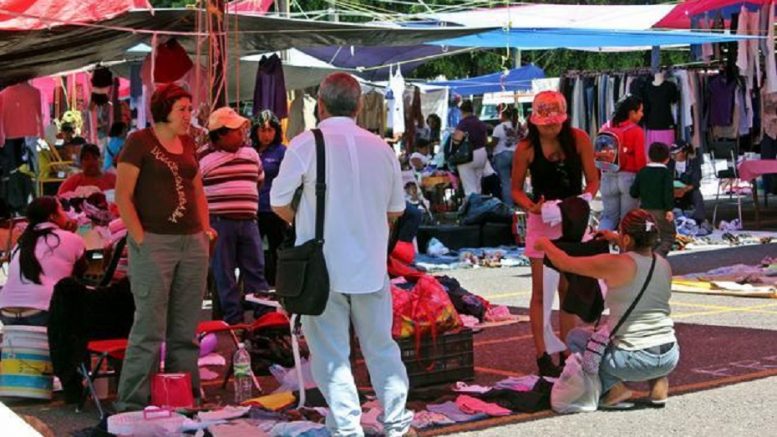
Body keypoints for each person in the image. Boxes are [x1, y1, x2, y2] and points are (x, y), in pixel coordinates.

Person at [270, 72, 413, 436]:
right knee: (381, 348)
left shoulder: (304, 144)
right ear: (359, 106)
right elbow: (396, 211)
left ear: (320, 104)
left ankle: (348, 430)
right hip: (369, 265)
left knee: (332, 357)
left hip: (322, 267)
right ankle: (396, 423)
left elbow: (278, 202)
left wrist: (306, 220)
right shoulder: (382, 148)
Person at [114, 84, 214, 412]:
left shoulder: (187, 143)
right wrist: (140, 237)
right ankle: (131, 405)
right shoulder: (139, 142)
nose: (189, 115)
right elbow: (123, 195)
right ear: (164, 110)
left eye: (189, 109)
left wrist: (205, 228)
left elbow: (197, 189)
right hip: (154, 241)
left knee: (185, 328)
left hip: (191, 241)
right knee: (149, 327)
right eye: (182, 109)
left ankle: (183, 400)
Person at [535, 209, 679, 408]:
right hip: (670, 354)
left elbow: (565, 263)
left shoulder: (617, 264)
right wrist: (614, 238)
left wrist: (544, 243)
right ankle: (658, 386)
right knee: (648, 332)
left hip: (633, 360)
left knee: (577, 337)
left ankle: (615, 389)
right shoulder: (664, 265)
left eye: (620, 234)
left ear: (627, 239)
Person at [511, 90, 600, 376]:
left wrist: (584, 200)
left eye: (555, 122)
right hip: (543, 220)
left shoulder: (579, 139)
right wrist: (531, 206)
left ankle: (568, 351)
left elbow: (593, 180)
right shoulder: (526, 148)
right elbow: (515, 189)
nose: (551, 127)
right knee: (541, 291)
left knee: (569, 287)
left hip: (572, 218)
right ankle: (542, 353)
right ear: (535, 121)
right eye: (545, 123)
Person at [201, 107, 270, 324]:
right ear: (220, 134)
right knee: (225, 275)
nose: (242, 134)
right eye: (235, 130)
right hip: (220, 224)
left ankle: (263, 319)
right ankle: (234, 321)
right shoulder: (203, 157)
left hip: (248, 222)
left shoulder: (251, 154)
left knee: (256, 271)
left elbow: (259, 180)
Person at [0, 197, 85, 326]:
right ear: (52, 216)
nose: (66, 214)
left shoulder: (23, 241)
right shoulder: (72, 238)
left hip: (6, 310)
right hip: (42, 310)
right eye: (62, 210)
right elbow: (79, 273)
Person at [251, 109, 288, 286]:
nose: (266, 134)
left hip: (274, 209)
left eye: (270, 130)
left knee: (278, 249)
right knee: (253, 251)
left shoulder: (282, 152)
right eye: (262, 130)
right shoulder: (248, 151)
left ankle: (279, 285)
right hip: (251, 210)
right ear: (255, 132)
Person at [599, 95, 647, 230]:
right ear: (632, 113)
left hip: (607, 176)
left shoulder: (606, 128)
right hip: (628, 178)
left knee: (608, 217)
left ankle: (599, 243)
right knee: (628, 220)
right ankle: (624, 248)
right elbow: (640, 161)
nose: (642, 114)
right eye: (640, 111)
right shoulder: (636, 131)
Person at [630, 142, 676, 257]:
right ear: (667, 159)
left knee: (650, 237)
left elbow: (633, 192)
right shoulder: (666, 173)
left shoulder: (642, 172)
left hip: (645, 210)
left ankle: (648, 257)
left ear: (648, 156)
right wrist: (669, 209)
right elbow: (668, 192)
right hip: (661, 210)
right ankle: (657, 257)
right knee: (668, 236)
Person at [452, 100, 495, 196]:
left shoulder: (463, 123)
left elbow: (456, 140)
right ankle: (479, 206)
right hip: (482, 154)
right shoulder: (480, 123)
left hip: (468, 156)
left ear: (462, 111)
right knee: (477, 185)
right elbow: (485, 140)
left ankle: (473, 207)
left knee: (469, 187)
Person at [668, 141, 709, 228]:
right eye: (672, 154)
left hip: (688, 191)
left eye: (676, 153)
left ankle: (700, 221)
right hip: (672, 191)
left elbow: (696, 183)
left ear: (684, 152)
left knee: (697, 194)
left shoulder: (693, 163)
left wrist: (683, 190)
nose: (673, 156)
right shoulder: (670, 163)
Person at [490, 105, 520, 206]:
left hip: (501, 156)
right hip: (516, 155)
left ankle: (509, 207)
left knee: (505, 182)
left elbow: (493, 143)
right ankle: (521, 203)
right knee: (518, 181)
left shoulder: (498, 128)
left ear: (502, 114)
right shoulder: (517, 125)